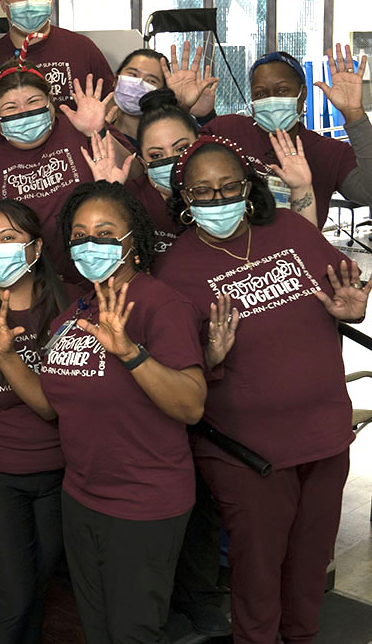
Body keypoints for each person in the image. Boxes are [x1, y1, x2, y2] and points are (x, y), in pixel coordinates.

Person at [155, 135, 369, 644]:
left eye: (229, 186)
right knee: (257, 572)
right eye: (202, 191)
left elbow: (342, 293)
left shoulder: (292, 230)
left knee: (310, 564)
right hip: (246, 453)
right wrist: (209, 358)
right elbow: (176, 373)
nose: (217, 198)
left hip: (324, 436)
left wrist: (352, 312)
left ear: (249, 188)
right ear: (183, 199)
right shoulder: (176, 271)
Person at [0, 181, 205, 642]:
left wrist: (132, 354)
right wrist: (3, 355)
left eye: (104, 233)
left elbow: (191, 405)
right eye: (79, 235)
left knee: (133, 632)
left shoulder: (161, 305)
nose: (89, 244)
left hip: (143, 502)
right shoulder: (75, 312)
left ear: (132, 243)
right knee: (96, 629)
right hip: (81, 497)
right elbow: (48, 405)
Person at [0, 200, 72, 642]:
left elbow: (55, 407)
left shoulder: (73, 307)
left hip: (59, 470)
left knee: (39, 587)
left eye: (8, 239)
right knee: (13, 594)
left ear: (36, 248)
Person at [0, 50, 132, 281]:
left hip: (100, 274)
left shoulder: (82, 128)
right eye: (10, 107)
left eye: (34, 101)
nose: (25, 112)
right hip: (27, 284)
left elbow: (135, 172)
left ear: (51, 103)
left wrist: (97, 132)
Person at [130, 89, 318, 257]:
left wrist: (302, 188)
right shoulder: (135, 200)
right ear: (143, 163)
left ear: (200, 143)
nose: (173, 161)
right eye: (156, 154)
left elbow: (306, 250)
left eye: (181, 148)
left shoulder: (239, 195)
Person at [201, 44, 372, 225]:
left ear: (303, 93)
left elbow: (368, 193)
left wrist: (354, 113)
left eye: (282, 90)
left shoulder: (330, 152)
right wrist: (195, 113)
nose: (271, 98)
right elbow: (178, 168)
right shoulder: (228, 130)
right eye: (260, 93)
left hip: (298, 250)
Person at [107, 43, 218, 147]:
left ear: (161, 92)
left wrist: (205, 116)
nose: (138, 83)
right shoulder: (99, 128)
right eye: (132, 74)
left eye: (151, 81)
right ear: (116, 79)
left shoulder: (174, 137)